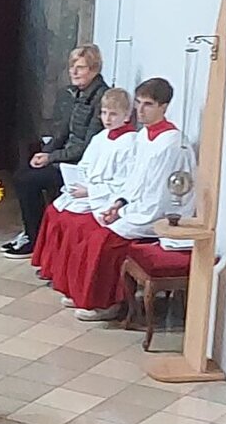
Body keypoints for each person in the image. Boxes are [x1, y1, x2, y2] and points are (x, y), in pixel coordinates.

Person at [49, 77, 195, 321]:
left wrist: (123, 213)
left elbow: (159, 197)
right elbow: (132, 181)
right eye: (138, 103)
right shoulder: (143, 137)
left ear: (164, 107)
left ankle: (107, 304)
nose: (140, 110)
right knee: (92, 231)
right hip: (134, 208)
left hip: (158, 216)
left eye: (148, 104)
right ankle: (85, 294)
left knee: (104, 240)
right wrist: (118, 204)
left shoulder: (170, 145)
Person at [3, 44, 109, 260]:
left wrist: (52, 158)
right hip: (65, 157)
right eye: (72, 67)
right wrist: (45, 153)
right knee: (24, 171)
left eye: (80, 67)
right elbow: (62, 133)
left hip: (79, 165)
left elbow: (87, 146)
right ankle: (35, 233)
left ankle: (35, 239)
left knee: (27, 181)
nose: (74, 72)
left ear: (95, 69)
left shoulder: (101, 99)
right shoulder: (79, 93)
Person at [32, 88, 137, 287]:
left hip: (105, 197)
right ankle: (54, 270)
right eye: (104, 113)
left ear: (126, 115)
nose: (107, 118)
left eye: (113, 114)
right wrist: (77, 181)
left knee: (75, 223)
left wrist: (91, 191)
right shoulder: (101, 137)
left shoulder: (131, 143)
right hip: (87, 189)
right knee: (55, 211)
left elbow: (124, 182)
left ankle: (69, 280)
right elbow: (85, 165)